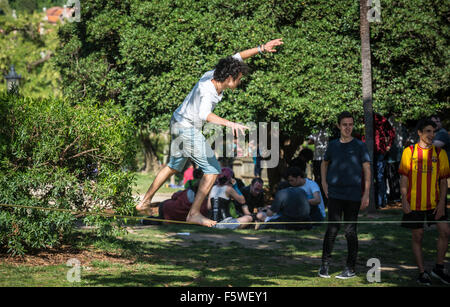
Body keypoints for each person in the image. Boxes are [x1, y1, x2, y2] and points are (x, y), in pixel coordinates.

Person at [135, 38, 284, 227]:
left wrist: (261, 49)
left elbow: (238, 56)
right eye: (239, 78)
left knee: (173, 166)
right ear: (231, 77)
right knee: (212, 170)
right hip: (186, 127)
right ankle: (194, 214)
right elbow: (205, 114)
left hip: (178, 121)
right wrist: (230, 124)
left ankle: (145, 200)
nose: (240, 81)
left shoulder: (213, 74)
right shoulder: (208, 91)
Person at [318, 111, 371, 280]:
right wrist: (325, 184)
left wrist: (366, 193)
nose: (348, 128)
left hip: (353, 194)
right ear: (338, 126)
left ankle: (350, 267)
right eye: (344, 124)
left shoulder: (360, 145)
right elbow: (324, 164)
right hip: (335, 193)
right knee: (332, 229)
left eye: (350, 124)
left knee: (350, 231)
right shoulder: (332, 145)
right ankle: (324, 265)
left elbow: (367, 169)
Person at [398, 118, 450, 286]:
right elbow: (404, 178)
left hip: (435, 203)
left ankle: (439, 268)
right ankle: (422, 272)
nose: (431, 134)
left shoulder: (439, 153)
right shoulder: (409, 151)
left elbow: (443, 181)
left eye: (433, 132)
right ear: (419, 133)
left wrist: (442, 203)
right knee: (418, 236)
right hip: (414, 203)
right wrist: (404, 200)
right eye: (428, 131)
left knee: (445, 232)